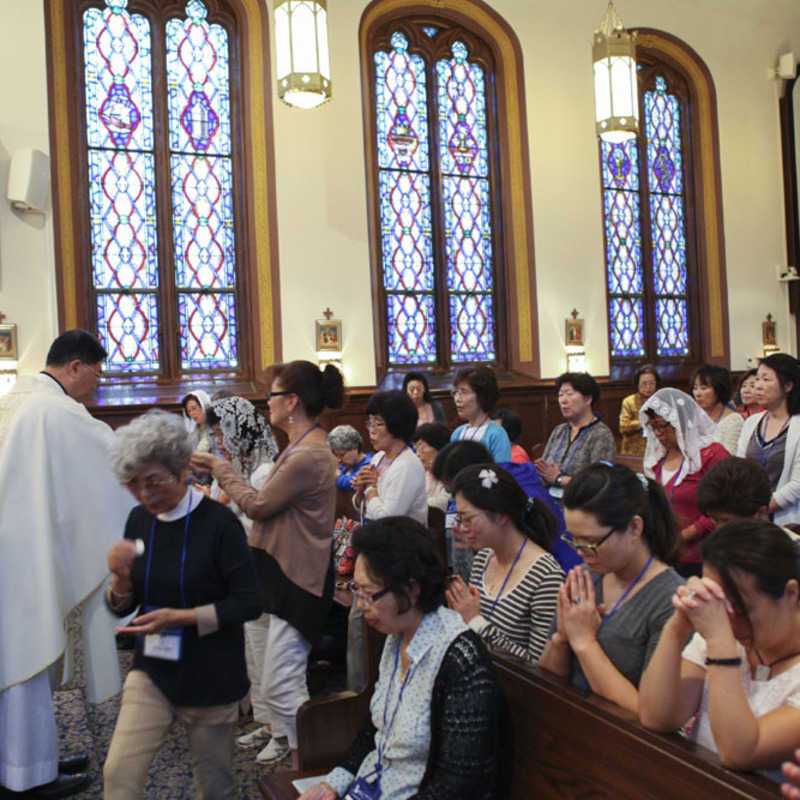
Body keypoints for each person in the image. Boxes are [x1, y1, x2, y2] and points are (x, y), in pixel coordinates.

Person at [0, 330, 134, 797]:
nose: (96, 387)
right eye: (95, 375)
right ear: (74, 366)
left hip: (13, 553)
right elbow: (112, 459)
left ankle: (30, 762)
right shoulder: (53, 411)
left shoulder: (18, 397)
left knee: (15, 657)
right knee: (23, 662)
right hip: (22, 561)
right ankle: (28, 775)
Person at [191, 360, 344, 767]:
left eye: (273, 395)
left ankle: (305, 764)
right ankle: (300, 760)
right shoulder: (300, 446)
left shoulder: (309, 454)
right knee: (278, 678)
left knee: (283, 679)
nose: (267, 403)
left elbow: (258, 506)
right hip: (282, 571)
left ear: (292, 401)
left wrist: (221, 470)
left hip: (301, 576)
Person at [103, 410, 262, 799]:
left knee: (215, 786)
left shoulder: (219, 524)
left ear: (182, 471)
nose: (144, 494)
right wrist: (121, 579)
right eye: (134, 484)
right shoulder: (139, 520)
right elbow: (123, 606)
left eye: (154, 481)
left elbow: (249, 602)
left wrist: (184, 618)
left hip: (212, 673)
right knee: (118, 773)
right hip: (153, 671)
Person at [297, 516, 504, 800]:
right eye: (357, 591)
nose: (361, 605)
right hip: (376, 783)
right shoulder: (396, 635)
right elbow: (376, 729)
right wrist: (333, 783)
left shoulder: (460, 659)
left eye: (369, 594)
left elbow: (460, 783)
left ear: (411, 589)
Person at [638, 520, 800, 780]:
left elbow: (739, 752)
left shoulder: (721, 636)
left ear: (791, 593)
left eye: (740, 606)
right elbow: (657, 716)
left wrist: (720, 641)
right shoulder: (722, 634)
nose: (729, 620)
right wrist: (676, 627)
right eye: (718, 601)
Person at [538, 463, 683, 713]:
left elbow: (649, 714)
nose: (581, 552)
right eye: (573, 539)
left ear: (634, 528)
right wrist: (561, 638)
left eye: (592, 542)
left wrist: (584, 642)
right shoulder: (585, 577)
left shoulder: (671, 600)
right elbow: (549, 677)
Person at [446, 465, 564, 664]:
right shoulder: (484, 558)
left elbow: (537, 667)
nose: (462, 528)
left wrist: (475, 622)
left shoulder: (546, 575)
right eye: (459, 519)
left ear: (501, 515)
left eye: (468, 519)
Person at [640, 387, 730, 577]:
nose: (658, 434)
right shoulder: (658, 458)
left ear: (679, 422)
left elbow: (725, 508)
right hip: (664, 554)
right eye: (653, 427)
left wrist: (684, 536)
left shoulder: (711, 454)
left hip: (703, 557)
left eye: (662, 426)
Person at [737, 354, 800, 526]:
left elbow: (797, 484)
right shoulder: (751, 423)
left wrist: (760, 509)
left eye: (766, 379)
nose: (758, 386)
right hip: (750, 519)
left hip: (789, 521)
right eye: (757, 379)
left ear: (788, 386)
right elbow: (739, 467)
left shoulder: (797, 426)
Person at [203, 395, 279, 530]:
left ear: (242, 433)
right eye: (215, 434)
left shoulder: (263, 473)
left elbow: (257, 528)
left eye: (222, 433)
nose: (218, 441)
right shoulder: (235, 466)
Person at [535, 372, 616, 497]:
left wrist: (559, 479)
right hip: (549, 502)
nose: (563, 400)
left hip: (579, 507)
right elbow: (543, 471)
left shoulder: (601, 434)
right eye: (560, 395)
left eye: (569, 394)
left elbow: (601, 483)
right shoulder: (559, 431)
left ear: (588, 399)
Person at [353, 390, 427, 525]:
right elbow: (365, 509)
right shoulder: (378, 457)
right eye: (370, 423)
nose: (371, 430)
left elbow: (387, 519)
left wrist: (370, 488)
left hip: (402, 541)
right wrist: (360, 490)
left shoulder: (407, 465)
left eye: (378, 423)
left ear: (397, 425)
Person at [450, 366, 511, 463]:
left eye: (464, 392)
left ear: (482, 396)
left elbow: (501, 472)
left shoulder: (496, 434)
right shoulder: (457, 433)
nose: (457, 399)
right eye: (456, 392)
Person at [691, 363, 744, 455]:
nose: (697, 394)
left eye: (704, 388)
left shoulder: (733, 420)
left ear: (720, 390)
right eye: (695, 388)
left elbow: (729, 456)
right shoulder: (693, 417)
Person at [618, 364, 660, 457]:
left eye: (652, 383)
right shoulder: (629, 402)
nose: (648, 387)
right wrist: (643, 422)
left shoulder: (661, 402)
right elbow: (623, 427)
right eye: (644, 383)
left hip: (657, 449)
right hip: (633, 451)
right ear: (637, 384)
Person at [411, 422, 451, 511]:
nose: (417, 454)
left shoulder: (450, 472)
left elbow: (444, 502)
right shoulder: (419, 473)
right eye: (416, 449)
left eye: (422, 447)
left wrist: (412, 505)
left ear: (439, 448)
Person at [328, 425, 372, 492]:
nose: (338, 460)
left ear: (355, 447)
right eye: (336, 455)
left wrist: (338, 476)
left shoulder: (370, 463)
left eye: (342, 455)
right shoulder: (346, 465)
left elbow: (353, 484)